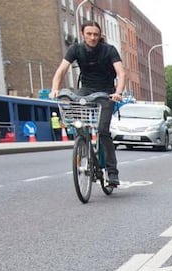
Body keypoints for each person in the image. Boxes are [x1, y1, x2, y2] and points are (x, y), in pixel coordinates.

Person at [50, 20, 126, 187]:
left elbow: (121, 73)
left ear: (100, 36)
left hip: (106, 93)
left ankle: (112, 173)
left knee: (103, 130)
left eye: (96, 34)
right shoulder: (76, 49)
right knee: (73, 105)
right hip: (86, 90)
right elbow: (61, 70)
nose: (92, 37)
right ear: (83, 34)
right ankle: (82, 141)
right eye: (89, 34)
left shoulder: (109, 50)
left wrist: (118, 93)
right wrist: (55, 89)